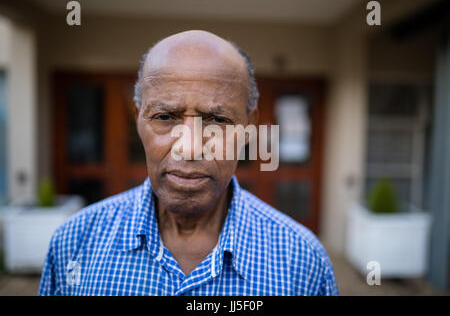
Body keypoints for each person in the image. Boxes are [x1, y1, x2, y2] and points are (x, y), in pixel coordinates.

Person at [38, 30, 338, 296]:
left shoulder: (302, 262)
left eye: (218, 119)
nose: (190, 147)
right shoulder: (74, 244)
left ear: (250, 127)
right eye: (165, 117)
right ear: (138, 120)